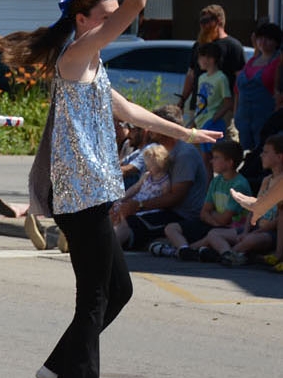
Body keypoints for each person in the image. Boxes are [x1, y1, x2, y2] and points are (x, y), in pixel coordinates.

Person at [0, 0, 220, 378]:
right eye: (107, 16)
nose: (117, 22)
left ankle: (60, 366)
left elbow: (129, 111)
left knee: (118, 289)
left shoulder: (92, 65)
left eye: (113, 16)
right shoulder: (75, 55)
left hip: (94, 192)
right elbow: (138, 2)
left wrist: (185, 132)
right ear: (82, 20)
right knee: (96, 295)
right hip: (80, 195)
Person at [111, 104, 210, 250]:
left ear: (168, 128)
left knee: (131, 222)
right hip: (161, 209)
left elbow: (175, 197)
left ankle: (108, 249)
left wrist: (138, 206)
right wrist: (124, 203)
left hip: (180, 215)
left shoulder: (184, 154)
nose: (150, 128)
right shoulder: (159, 150)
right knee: (116, 213)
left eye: (155, 124)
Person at [156, 140, 249, 259]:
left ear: (229, 162)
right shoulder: (216, 181)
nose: (211, 161)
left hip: (229, 229)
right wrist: (213, 218)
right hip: (212, 224)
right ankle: (185, 249)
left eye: (216, 158)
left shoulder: (239, 185)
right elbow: (204, 212)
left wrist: (212, 215)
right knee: (171, 228)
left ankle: (186, 250)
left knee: (212, 235)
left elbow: (225, 220)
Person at [204, 135, 281, 265]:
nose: (261, 155)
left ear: (279, 157)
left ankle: (228, 254)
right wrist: (245, 231)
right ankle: (228, 254)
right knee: (214, 234)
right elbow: (255, 208)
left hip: (269, 233)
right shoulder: (267, 180)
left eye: (266, 152)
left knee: (251, 240)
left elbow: (279, 219)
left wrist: (257, 231)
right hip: (254, 229)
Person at [177, 5, 245, 111]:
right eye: (201, 21)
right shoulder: (199, 45)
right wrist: (182, 100)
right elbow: (191, 75)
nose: (203, 25)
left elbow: (240, 79)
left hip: (222, 110)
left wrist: (237, 108)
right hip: (198, 108)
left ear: (219, 21)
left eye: (206, 21)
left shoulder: (233, 46)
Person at [110, 143, 170, 248]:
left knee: (124, 214)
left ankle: (115, 237)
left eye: (150, 165)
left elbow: (163, 201)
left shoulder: (165, 182)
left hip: (148, 207)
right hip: (137, 200)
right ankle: (111, 230)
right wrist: (122, 197)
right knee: (115, 208)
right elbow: (135, 188)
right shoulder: (147, 175)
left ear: (159, 163)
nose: (148, 167)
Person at [234, 22, 281, 153]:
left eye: (268, 39)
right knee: (247, 156)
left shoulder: (279, 62)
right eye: (260, 38)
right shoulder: (251, 61)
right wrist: (236, 115)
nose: (263, 42)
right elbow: (237, 90)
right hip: (244, 120)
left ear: (276, 42)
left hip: (266, 119)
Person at [183, 43, 233, 155]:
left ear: (211, 59)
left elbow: (228, 102)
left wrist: (214, 119)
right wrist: (195, 120)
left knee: (212, 156)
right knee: (201, 155)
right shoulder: (202, 77)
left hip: (211, 123)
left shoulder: (221, 78)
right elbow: (199, 101)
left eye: (201, 57)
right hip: (200, 121)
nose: (198, 61)